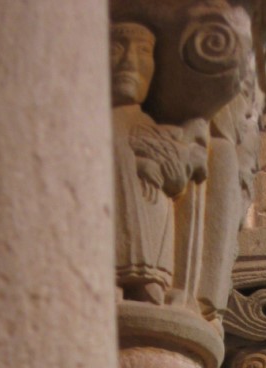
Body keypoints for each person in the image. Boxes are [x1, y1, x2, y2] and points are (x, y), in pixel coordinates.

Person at [111, 21, 208, 304]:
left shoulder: (146, 122)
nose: (129, 61)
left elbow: (176, 176)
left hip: (155, 215)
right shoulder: (105, 118)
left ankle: (152, 282)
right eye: (117, 49)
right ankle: (124, 279)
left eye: (143, 52)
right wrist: (138, 165)